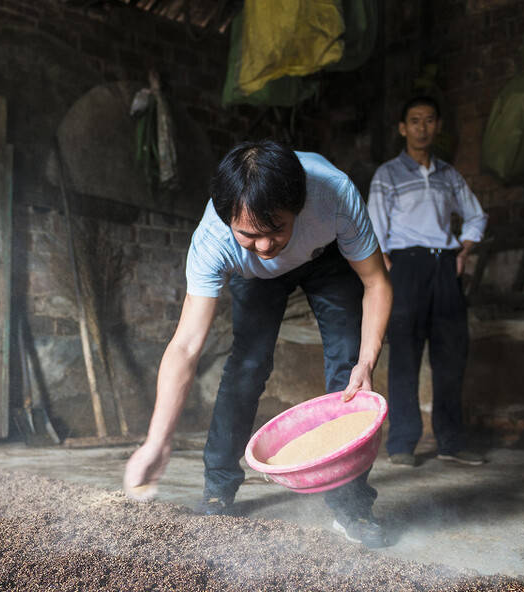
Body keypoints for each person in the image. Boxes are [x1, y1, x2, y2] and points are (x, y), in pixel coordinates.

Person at [123, 141, 393, 547]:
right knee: (247, 367)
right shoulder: (213, 239)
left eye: (276, 229)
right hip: (254, 278)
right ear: (226, 217)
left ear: (299, 208)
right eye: (249, 234)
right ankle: (218, 488)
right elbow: (185, 346)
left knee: (347, 368)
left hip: (326, 256)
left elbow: (376, 281)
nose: (266, 246)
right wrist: (157, 442)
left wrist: (367, 361)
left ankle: (352, 507)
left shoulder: (335, 196)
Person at [367, 96, 488, 468]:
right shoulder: (388, 174)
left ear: (437, 126)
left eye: (429, 120)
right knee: (404, 354)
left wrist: (464, 252)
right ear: (403, 128)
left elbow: (476, 217)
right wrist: (386, 265)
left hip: (444, 267)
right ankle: (402, 443)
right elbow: (373, 226)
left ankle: (451, 440)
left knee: (451, 353)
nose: (422, 127)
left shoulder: (449, 175)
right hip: (405, 267)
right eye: (414, 121)